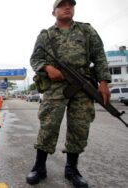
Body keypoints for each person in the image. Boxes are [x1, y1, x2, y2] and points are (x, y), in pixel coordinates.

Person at [27, 0, 111, 187]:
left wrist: (104, 82)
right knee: (48, 125)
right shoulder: (46, 35)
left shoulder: (86, 30)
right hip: (55, 86)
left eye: (71, 5)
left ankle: (71, 169)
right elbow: (35, 58)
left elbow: (99, 56)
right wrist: (48, 68)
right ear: (53, 12)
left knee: (80, 127)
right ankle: (39, 167)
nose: (67, 7)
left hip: (83, 84)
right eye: (62, 5)